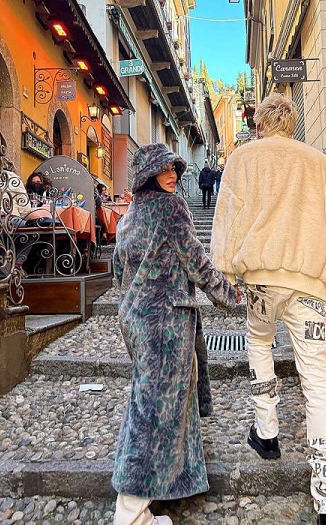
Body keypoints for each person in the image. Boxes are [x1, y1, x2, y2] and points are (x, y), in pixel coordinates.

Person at [210, 93, 326, 525]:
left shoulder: (243, 159)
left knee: (259, 343)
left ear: (259, 124)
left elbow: (227, 219)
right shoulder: (319, 163)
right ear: (292, 124)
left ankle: (267, 433)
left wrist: (227, 269)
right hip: (308, 284)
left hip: (261, 280)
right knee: (316, 374)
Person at [111, 143, 241, 525]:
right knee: (154, 410)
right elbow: (197, 261)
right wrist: (231, 295)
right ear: (148, 173)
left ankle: (176, 479)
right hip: (165, 324)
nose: (173, 175)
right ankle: (131, 512)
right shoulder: (171, 208)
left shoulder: (130, 214)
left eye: (175, 169)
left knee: (163, 400)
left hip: (136, 320)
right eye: (165, 168)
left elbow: (118, 269)